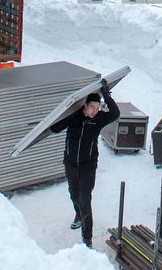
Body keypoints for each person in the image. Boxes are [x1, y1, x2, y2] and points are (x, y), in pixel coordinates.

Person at [50, 80, 120, 248]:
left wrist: (106, 95)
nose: (96, 111)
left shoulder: (99, 119)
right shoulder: (73, 117)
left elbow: (115, 113)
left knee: (85, 199)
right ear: (85, 106)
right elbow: (53, 128)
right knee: (73, 193)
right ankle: (78, 215)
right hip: (70, 164)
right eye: (92, 108)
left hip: (88, 166)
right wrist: (63, 113)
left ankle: (87, 238)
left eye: (98, 108)